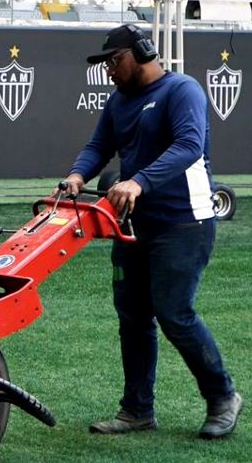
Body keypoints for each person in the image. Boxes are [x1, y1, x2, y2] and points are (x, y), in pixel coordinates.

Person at [63, 24, 242, 439]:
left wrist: (138, 181)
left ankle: (222, 396)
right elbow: (98, 146)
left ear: (141, 52)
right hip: (133, 225)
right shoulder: (119, 102)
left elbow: (189, 145)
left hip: (184, 221)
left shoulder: (182, 91)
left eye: (114, 60)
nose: (108, 69)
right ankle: (137, 410)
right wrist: (76, 175)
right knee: (133, 316)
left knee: (174, 312)